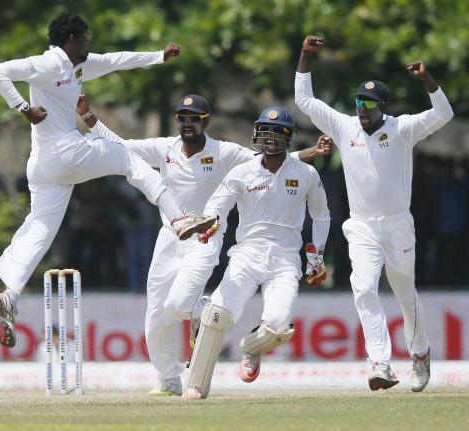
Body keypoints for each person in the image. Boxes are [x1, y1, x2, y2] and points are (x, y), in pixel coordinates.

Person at [0, 12, 215, 348]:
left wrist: (158, 57)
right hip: (63, 154)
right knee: (128, 158)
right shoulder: (48, 63)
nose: (90, 44)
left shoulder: (78, 66)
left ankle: (10, 296)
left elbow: (115, 60)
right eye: (86, 38)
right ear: (73, 38)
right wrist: (23, 108)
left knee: (40, 229)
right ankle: (179, 219)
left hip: (46, 166)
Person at [77, 94, 331, 396]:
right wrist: (89, 117)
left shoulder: (224, 152)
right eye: (182, 117)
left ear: (205, 121)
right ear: (176, 121)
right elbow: (120, 146)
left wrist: (311, 153)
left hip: (205, 235)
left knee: (179, 304)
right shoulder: (164, 149)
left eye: (193, 117)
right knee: (157, 311)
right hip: (169, 236)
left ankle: (204, 312)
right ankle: (169, 380)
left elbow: (270, 160)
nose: (187, 122)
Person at [294, 35, 454, 392]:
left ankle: (419, 353)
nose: (361, 108)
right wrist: (305, 56)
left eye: (368, 103)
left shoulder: (403, 129)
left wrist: (428, 81)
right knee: (363, 287)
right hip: (362, 226)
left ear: (382, 106)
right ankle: (380, 363)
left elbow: (444, 113)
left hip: (398, 225)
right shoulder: (344, 127)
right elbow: (305, 100)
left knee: (404, 293)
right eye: (357, 102)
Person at [181, 107, 330, 400]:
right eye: (264, 132)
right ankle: (195, 385)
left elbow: (322, 216)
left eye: (277, 133)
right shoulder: (242, 171)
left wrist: (317, 257)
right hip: (246, 255)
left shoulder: (305, 173)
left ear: (289, 138)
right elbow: (217, 206)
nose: (270, 138)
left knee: (278, 327)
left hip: (285, 259)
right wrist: (211, 223)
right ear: (256, 135)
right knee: (217, 316)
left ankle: (251, 348)